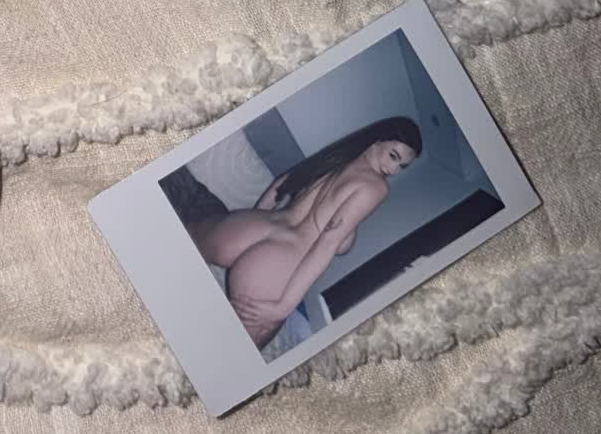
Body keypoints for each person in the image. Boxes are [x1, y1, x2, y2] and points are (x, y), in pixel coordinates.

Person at [178, 119, 423, 348]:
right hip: (280, 260)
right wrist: (283, 308)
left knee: (176, 248)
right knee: (226, 353)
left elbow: (282, 184)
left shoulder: (338, 156)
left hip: (258, 224)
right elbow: (328, 244)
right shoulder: (377, 187)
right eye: (393, 156)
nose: (394, 169)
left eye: (402, 166)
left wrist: (253, 219)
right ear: (377, 140)